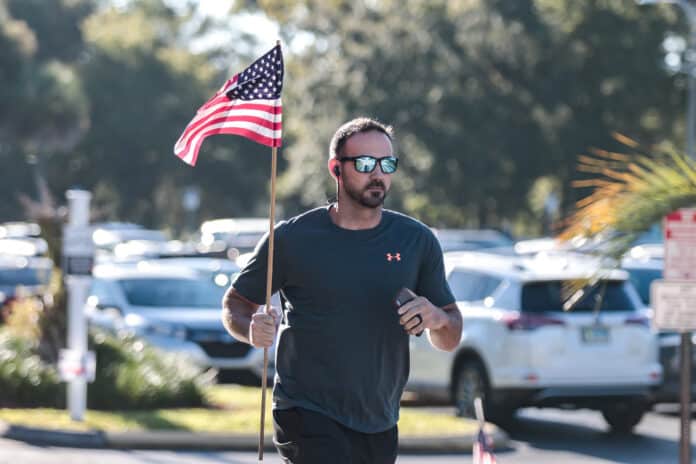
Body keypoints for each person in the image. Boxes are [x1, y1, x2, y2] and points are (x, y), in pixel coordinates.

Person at [221, 117, 463, 463]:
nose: (377, 174)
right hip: (306, 411)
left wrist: (436, 317)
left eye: (387, 164)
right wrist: (250, 328)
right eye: (365, 164)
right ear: (336, 168)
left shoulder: (416, 240)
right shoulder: (292, 239)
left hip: (380, 418)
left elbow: (451, 334)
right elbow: (235, 304)